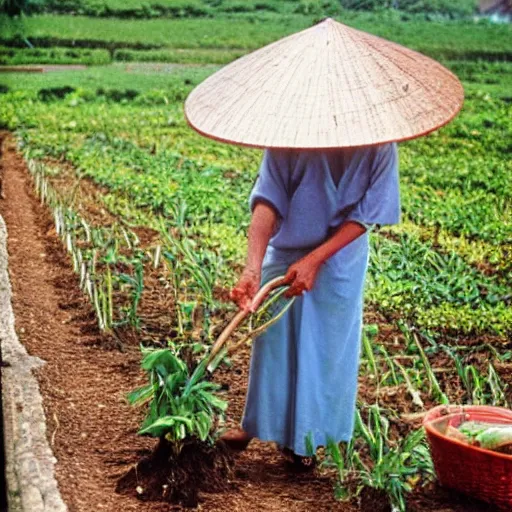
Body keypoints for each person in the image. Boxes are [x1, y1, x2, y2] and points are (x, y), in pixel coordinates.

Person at [220, 143, 401, 470]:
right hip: (287, 250)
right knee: (273, 342)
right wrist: (252, 267)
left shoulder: (380, 146)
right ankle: (256, 424)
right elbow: (267, 201)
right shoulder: (290, 134)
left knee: (326, 349)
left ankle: (307, 440)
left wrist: (316, 259)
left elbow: (365, 215)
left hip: (340, 258)